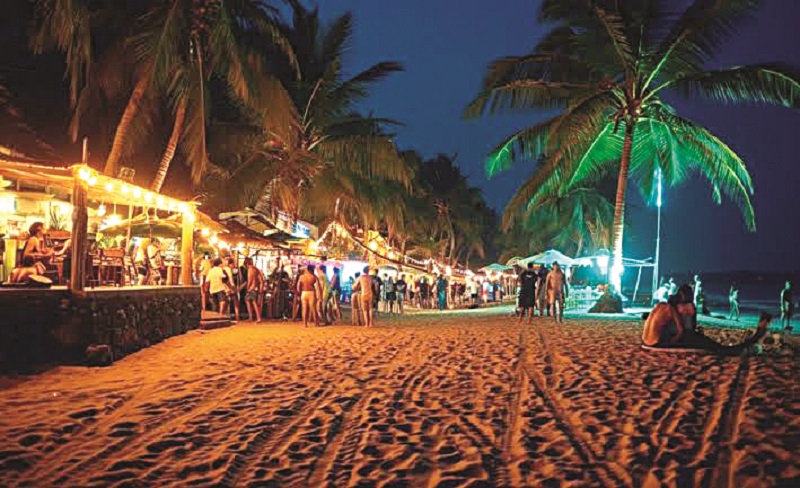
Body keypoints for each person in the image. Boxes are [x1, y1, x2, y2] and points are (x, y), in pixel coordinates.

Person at [643, 285, 772, 355]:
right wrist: (673, 341)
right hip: (657, 343)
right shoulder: (672, 309)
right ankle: (757, 335)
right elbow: (682, 331)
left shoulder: (659, 305)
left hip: (646, 340)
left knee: (698, 339)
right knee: (716, 347)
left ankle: (756, 335)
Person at [244, 258, 264, 322]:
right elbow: (260, 279)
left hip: (251, 288)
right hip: (255, 288)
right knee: (253, 302)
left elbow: (249, 279)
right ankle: (256, 317)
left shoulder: (250, 269)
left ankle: (252, 317)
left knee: (250, 301)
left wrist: (247, 287)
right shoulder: (256, 269)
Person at [223, 257, 241, 322]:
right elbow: (229, 279)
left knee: (226, 303)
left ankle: (226, 318)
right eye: (233, 263)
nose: (234, 265)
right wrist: (232, 288)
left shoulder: (223, 269)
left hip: (225, 288)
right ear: (230, 264)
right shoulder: (228, 269)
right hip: (230, 287)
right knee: (235, 303)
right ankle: (237, 318)